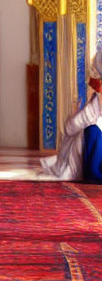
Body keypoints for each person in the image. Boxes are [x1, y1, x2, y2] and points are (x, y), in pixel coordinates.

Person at [40, 48, 102, 182]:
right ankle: (95, 175)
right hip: (82, 157)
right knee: (93, 132)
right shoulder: (94, 106)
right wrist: (75, 113)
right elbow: (70, 128)